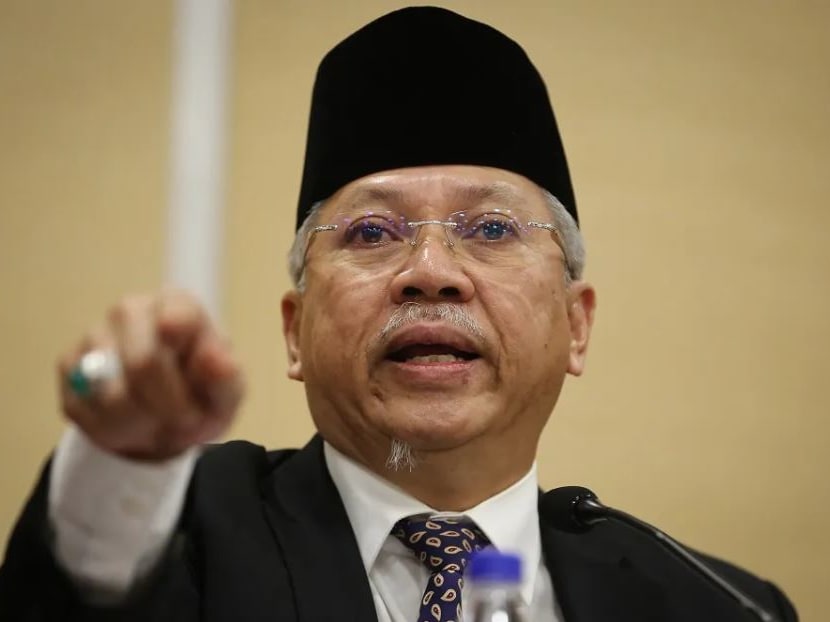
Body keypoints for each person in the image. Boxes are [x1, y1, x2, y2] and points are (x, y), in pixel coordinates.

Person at [0, 6, 797, 622]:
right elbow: (79, 591)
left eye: (490, 229)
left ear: (577, 322)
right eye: (372, 233)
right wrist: (119, 456)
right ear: (293, 330)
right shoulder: (188, 536)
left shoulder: (717, 604)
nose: (431, 273)